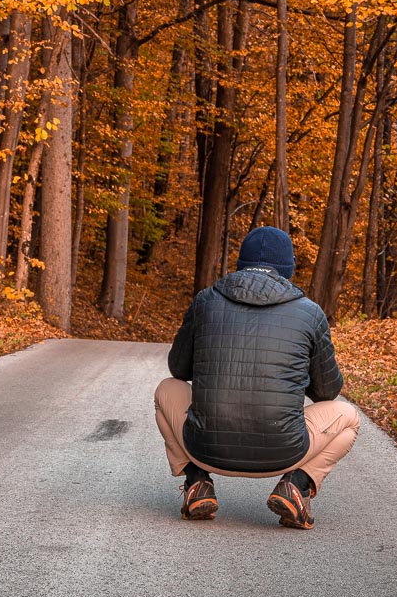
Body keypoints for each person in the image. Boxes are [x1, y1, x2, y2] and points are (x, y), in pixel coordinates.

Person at [154, 226, 360, 528]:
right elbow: (327, 391)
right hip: (283, 451)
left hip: (205, 447)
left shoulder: (205, 301)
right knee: (348, 417)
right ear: (287, 268)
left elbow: (179, 370)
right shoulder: (310, 313)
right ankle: (297, 486)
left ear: (241, 264)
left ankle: (197, 482)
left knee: (166, 390)